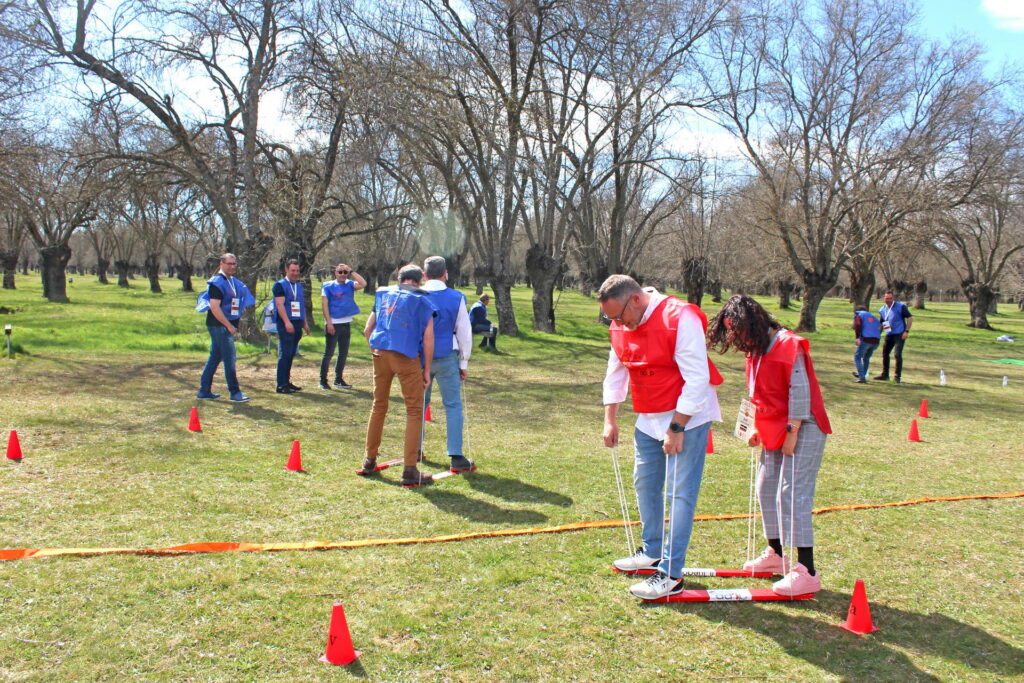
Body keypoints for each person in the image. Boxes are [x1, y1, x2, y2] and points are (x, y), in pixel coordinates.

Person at [600, 275, 722, 600]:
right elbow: (615, 373)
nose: (618, 324)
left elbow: (698, 377)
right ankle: (651, 551)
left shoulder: (680, 317)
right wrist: (610, 420)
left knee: (679, 495)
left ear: (635, 299)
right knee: (645, 484)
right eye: (611, 319)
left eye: (619, 316)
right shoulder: (620, 326)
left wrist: (677, 428)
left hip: (687, 418)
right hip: (649, 418)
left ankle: (671, 573)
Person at [707, 294, 832, 597]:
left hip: (803, 426)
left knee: (792, 493)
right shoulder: (756, 350)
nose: (736, 339)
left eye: (737, 331)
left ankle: (807, 570)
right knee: (766, 486)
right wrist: (753, 426)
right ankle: (776, 554)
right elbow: (757, 392)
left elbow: (799, 391)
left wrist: (793, 431)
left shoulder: (789, 345)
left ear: (753, 323)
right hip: (774, 427)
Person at [361, 264, 437, 487]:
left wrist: (375, 351)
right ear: (419, 281)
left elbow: (368, 330)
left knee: (379, 405)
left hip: (380, 352)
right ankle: (410, 469)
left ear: (399, 278)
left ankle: (369, 459)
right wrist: (426, 369)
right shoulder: (422, 300)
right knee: (414, 410)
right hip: (406, 355)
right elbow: (428, 338)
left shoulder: (383, 294)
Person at [421, 256, 475, 472]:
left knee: (418, 405)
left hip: (419, 357)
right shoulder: (456, 297)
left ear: (424, 275)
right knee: (452, 405)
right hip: (446, 355)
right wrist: (464, 362)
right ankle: (456, 454)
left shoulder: (416, 295)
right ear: (446, 274)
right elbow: (464, 331)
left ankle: (414, 448)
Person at [196, 253, 254, 402]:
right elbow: (215, 307)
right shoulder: (217, 283)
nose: (232, 266)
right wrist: (228, 326)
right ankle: (235, 393)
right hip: (219, 326)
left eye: (234, 264)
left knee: (215, 357)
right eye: (229, 263)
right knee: (230, 358)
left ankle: (204, 390)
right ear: (221, 264)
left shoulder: (233, 282)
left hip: (227, 325)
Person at [319, 263, 366, 390]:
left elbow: (363, 284)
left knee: (343, 353)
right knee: (329, 353)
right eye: (340, 272)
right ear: (335, 273)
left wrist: (351, 271)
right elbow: (324, 305)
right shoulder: (328, 286)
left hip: (346, 323)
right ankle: (323, 381)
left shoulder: (350, 284)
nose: (342, 275)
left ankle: (338, 380)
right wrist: (329, 323)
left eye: (345, 272)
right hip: (333, 323)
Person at [273, 259, 310, 394]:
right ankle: (281, 385)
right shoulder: (279, 285)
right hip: (286, 323)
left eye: (297, 271)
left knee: (291, 354)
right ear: (286, 270)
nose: (295, 273)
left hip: (297, 322)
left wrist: (305, 323)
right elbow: (279, 305)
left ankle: (287, 381)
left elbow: (301, 305)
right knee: (285, 354)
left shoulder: (299, 286)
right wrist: (287, 322)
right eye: (293, 270)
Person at [875, 290, 913, 383]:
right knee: (885, 353)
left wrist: (906, 331)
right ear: (884, 298)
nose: (888, 300)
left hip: (899, 334)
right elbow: (883, 322)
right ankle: (885, 375)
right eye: (886, 298)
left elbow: (910, 318)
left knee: (897, 354)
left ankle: (897, 377)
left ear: (893, 298)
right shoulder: (882, 309)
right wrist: (877, 335)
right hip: (889, 334)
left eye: (890, 298)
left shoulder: (900, 307)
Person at [852, 305, 881, 383]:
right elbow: (880, 327)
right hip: (876, 341)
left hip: (866, 339)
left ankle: (862, 377)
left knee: (857, 357)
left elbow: (858, 325)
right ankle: (863, 375)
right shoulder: (873, 317)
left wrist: (857, 337)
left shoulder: (859, 315)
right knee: (866, 358)